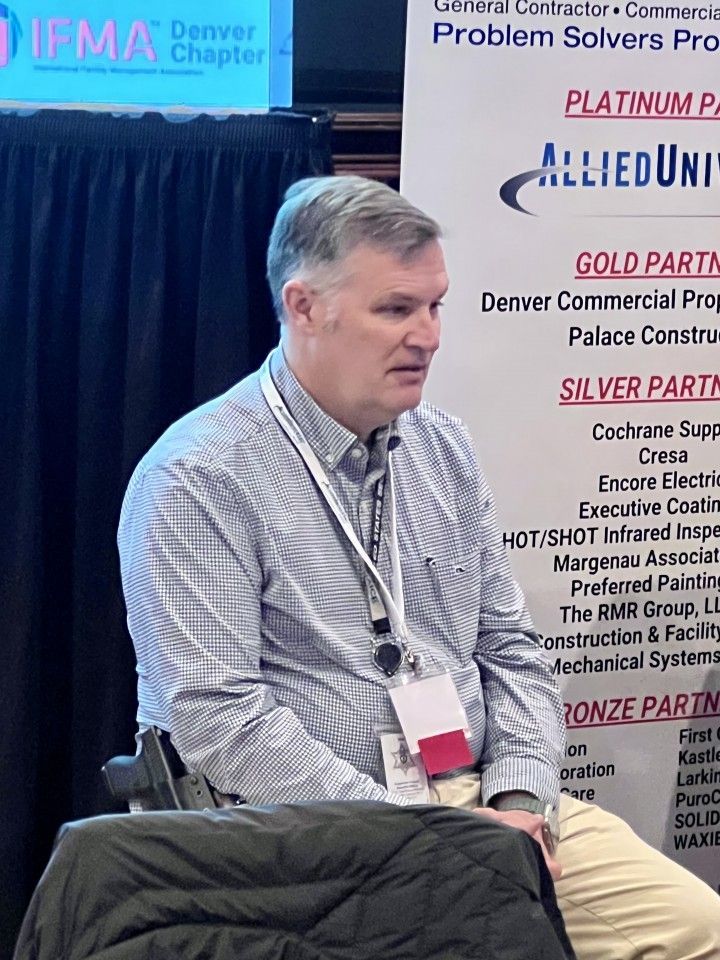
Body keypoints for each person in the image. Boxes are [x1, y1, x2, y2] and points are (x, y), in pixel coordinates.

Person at [118, 175, 720, 960]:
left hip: (478, 803)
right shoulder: (199, 477)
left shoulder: (443, 446)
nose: (430, 336)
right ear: (304, 308)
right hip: (294, 827)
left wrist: (517, 799)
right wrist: (433, 836)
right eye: (397, 310)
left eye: (436, 306)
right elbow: (219, 722)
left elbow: (512, 650)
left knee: (694, 928)